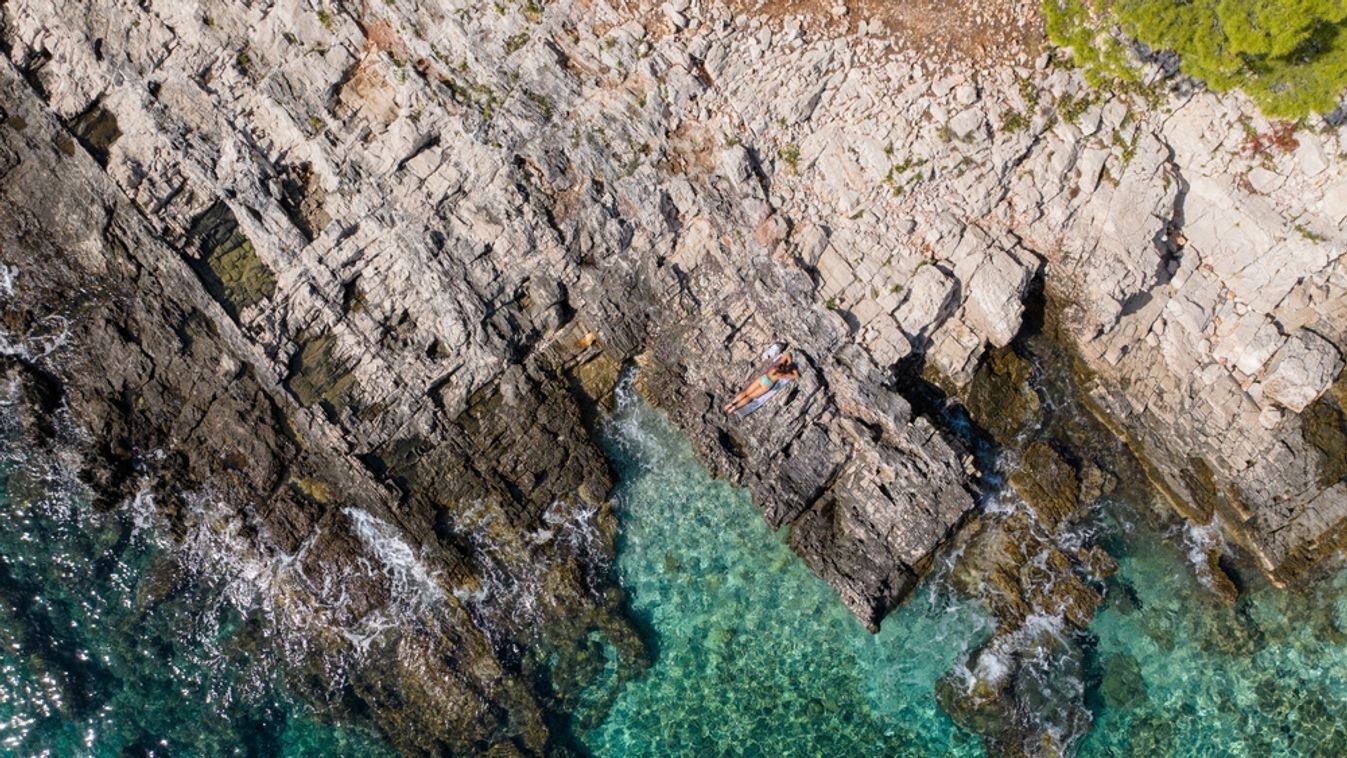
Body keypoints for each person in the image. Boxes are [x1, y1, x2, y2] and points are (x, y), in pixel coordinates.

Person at [723, 353, 800, 414]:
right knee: (750, 397)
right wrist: (792, 369)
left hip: (763, 378)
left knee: (746, 392)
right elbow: (796, 376)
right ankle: (735, 407)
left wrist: (789, 362)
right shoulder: (783, 375)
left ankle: (731, 403)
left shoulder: (777, 366)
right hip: (767, 385)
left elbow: (787, 354)